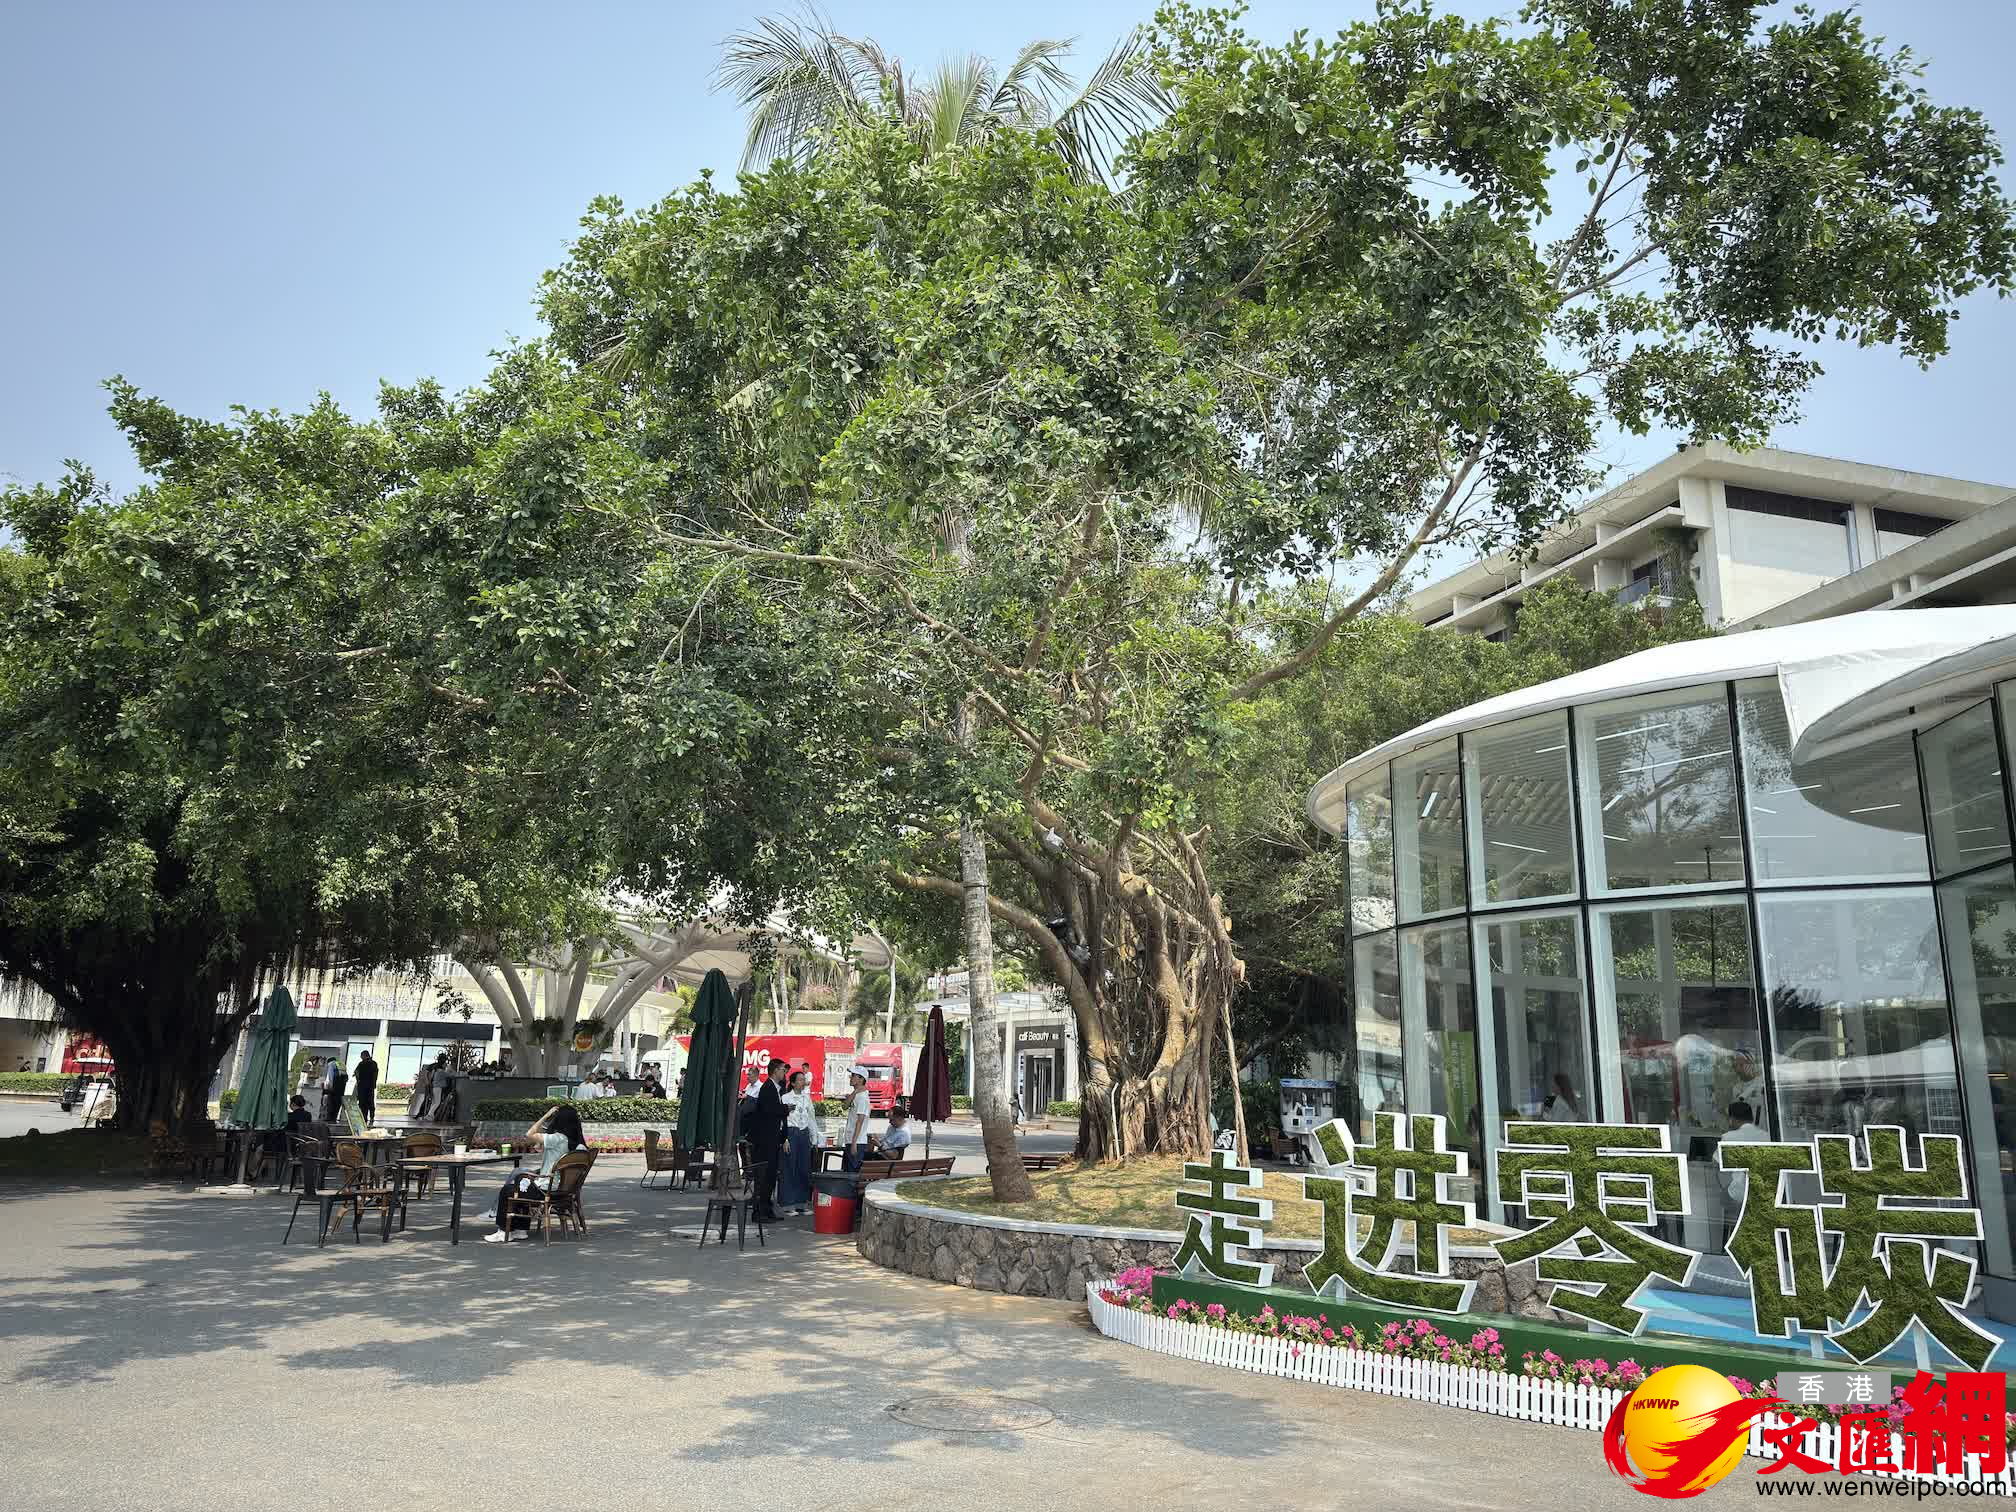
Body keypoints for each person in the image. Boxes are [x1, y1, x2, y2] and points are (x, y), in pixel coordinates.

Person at [484, 1104, 591, 1243]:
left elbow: (529, 1134)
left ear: (559, 1120)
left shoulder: (557, 1139)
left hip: (547, 1189)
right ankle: (520, 1230)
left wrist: (546, 1115)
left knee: (508, 1190)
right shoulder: (580, 1146)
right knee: (522, 1184)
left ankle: (504, 1231)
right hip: (565, 1191)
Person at [1718, 1099, 1767, 1247]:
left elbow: (1716, 1162)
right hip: (1763, 1194)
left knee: (1722, 1196)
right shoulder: (1767, 1136)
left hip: (1738, 1194)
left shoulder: (1728, 1137)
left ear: (1732, 1119)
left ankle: (1730, 1241)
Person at [748, 1058, 790, 1222]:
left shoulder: (777, 1089)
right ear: (775, 1071)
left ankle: (767, 1208)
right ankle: (759, 1211)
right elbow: (769, 1110)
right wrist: (785, 1109)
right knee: (764, 1176)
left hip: (773, 1139)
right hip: (764, 1141)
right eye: (782, 1070)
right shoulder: (767, 1088)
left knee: (771, 1175)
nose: (784, 1073)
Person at [776, 1069, 817, 1215]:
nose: (803, 1082)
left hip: (803, 1133)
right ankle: (788, 1204)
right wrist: (784, 1139)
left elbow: (811, 1117)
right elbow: (782, 1121)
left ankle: (801, 1203)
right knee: (789, 1167)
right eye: (799, 1079)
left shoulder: (807, 1098)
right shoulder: (786, 1098)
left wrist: (814, 1137)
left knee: (803, 1168)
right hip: (791, 1133)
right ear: (793, 1083)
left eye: (803, 1079)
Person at [841, 1068, 872, 1173]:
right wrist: (854, 1092)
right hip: (850, 1140)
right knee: (847, 1171)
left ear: (861, 1079)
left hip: (857, 1142)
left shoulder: (862, 1098)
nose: (851, 1077)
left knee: (852, 1174)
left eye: (854, 1075)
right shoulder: (856, 1095)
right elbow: (844, 1106)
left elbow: (860, 1121)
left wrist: (854, 1143)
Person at [352, 1050, 379, 1126]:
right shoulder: (374, 1063)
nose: (361, 1057)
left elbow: (356, 1072)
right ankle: (372, 1117)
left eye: (361, 1055)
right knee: (370, 1102)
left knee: (363, 1103)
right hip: (371, 1087)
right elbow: (375, 1074)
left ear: (364, 1055)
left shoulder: (361, 1063)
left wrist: (358, 1079)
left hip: (362, 1086)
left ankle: (364, 1117)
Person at [321, 1057, 348, 1122]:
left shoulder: (331, 1064)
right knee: (338, 1101)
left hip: (335, 1084)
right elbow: (346, 1077)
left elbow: (331, 1075)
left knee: (331, 1101)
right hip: (342, 1086)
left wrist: (330, 1086)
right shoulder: (341, 1064)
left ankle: (329, 1118)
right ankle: (334, 1118)